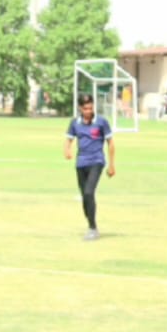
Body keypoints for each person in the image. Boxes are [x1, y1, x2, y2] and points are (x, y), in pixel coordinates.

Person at [64, 91, 115, 239]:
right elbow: (68, 139)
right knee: (85, 197)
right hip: (81, 163)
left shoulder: (101, 122)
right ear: (80, 108)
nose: (88, 111)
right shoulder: (75, 123)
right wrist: (67, 150)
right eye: (85, 108)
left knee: (88, 192)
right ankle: (90, 223)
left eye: (90, 108)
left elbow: (111, 143)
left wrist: (111, 165)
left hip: (96, 161)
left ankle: (93, 228)